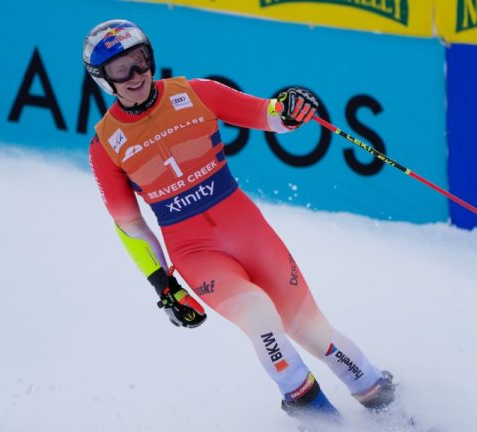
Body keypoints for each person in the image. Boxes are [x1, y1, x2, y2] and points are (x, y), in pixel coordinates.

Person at [82, 19, 396, 427]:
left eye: (139, 61)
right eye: (120, 70)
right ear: (103, 80)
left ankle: (393, 409)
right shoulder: (106, 144)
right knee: (259, 316)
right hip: (195, 253)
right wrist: (163, 285)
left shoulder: (196, 92)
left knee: (316, 333)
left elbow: (270, 116)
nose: (135, 76)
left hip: (250, 233)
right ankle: (320, 421)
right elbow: (129, 225)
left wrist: (292, 107)